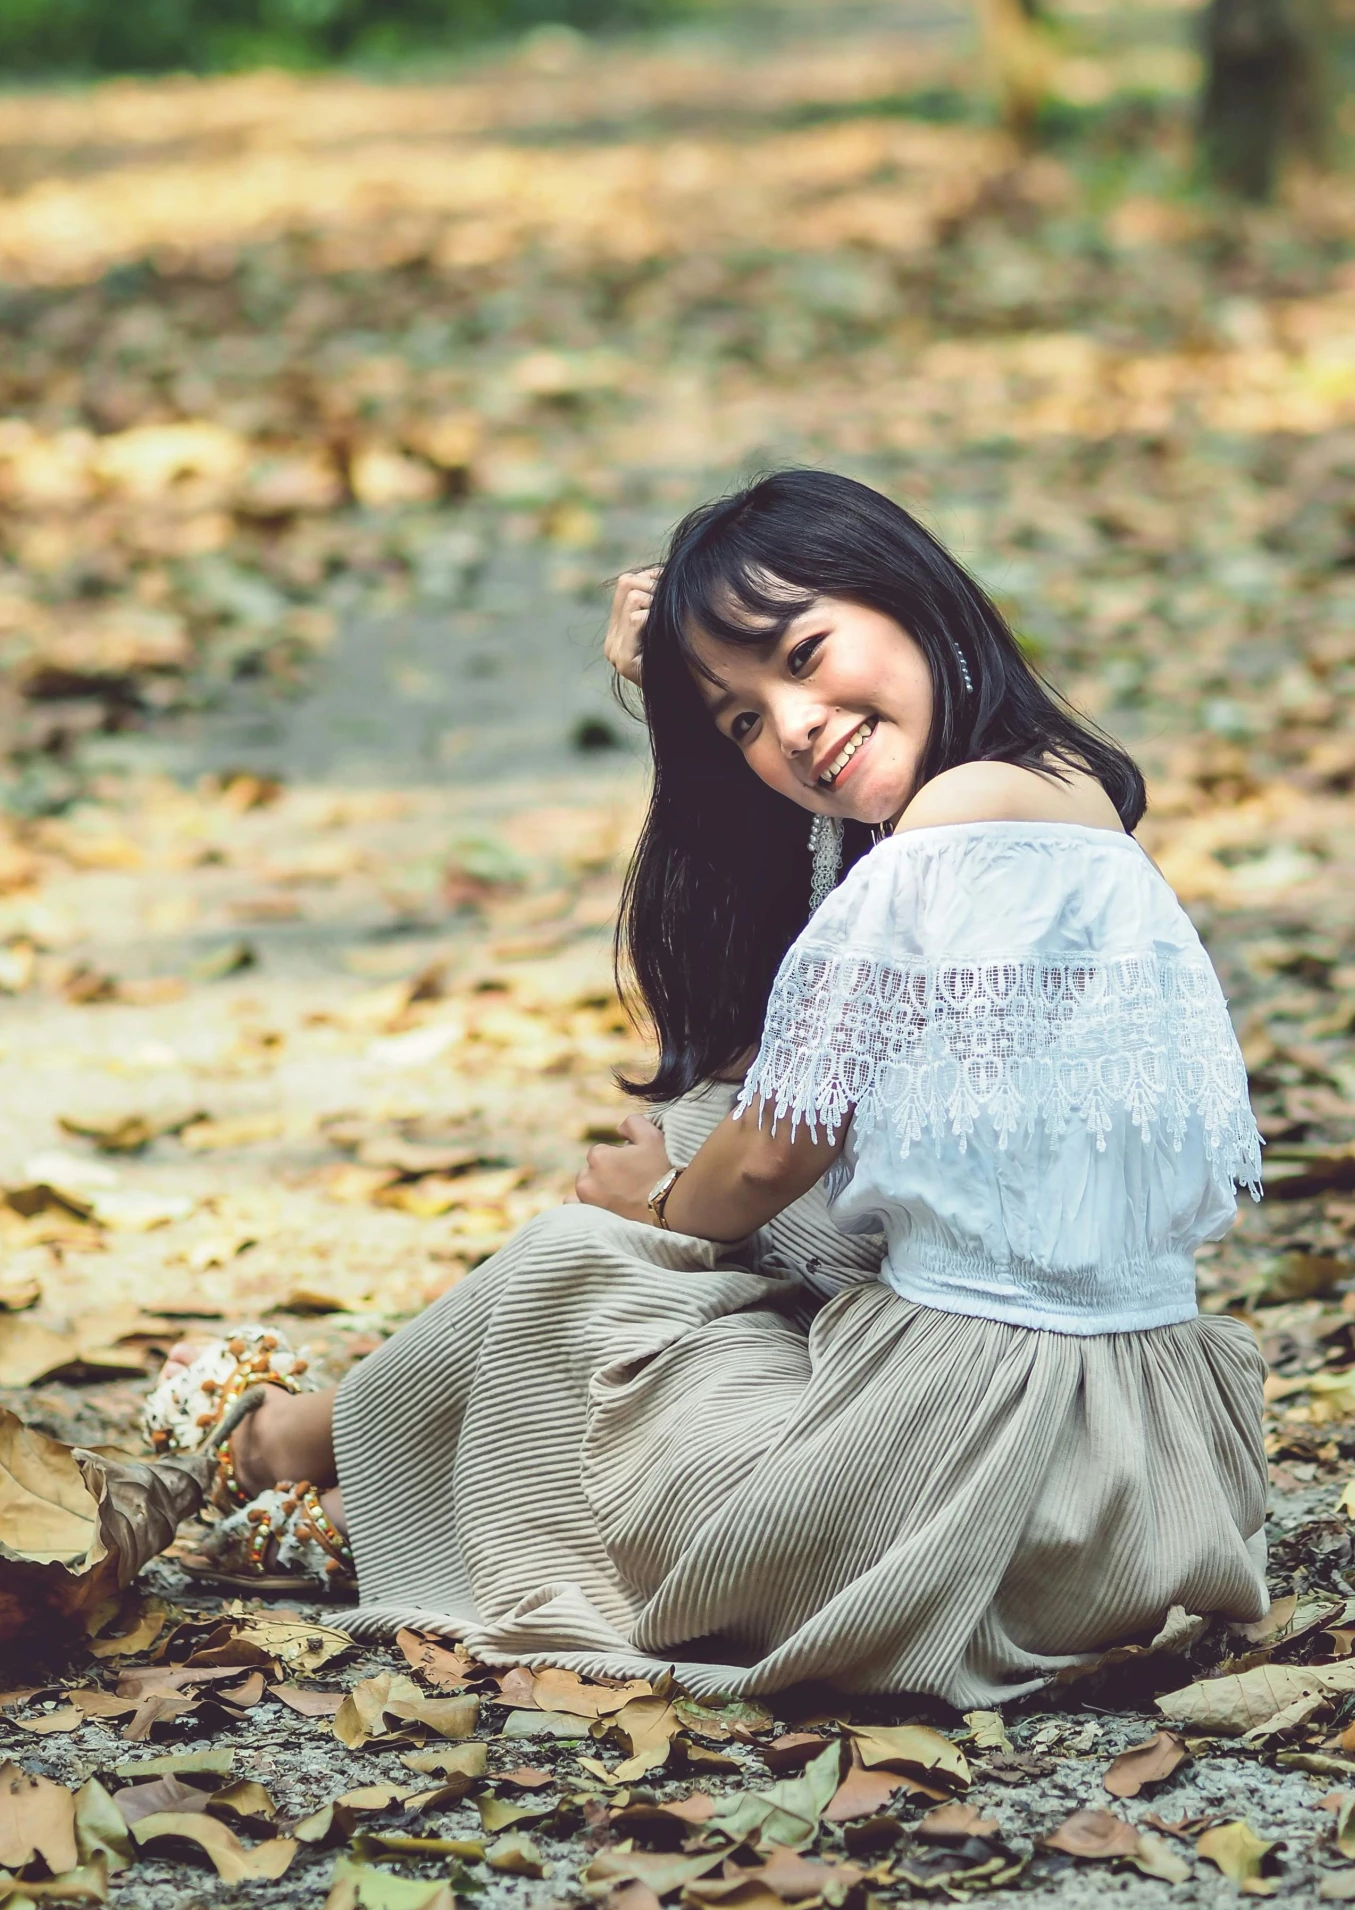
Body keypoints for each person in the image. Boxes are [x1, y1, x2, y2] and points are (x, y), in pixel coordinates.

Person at [146, 469, 1268, 1706]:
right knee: (691, 1137)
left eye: (807, 651)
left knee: (591, 1255)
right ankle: (365, 1465)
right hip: (1144, 1488)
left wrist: (663, 1202)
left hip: (960, 1495)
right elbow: (782, 1017)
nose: (790, 725)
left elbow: (776, 1150)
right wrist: (675, 703)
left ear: (914, 598)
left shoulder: (953, 824)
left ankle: (306, 1446)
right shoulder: (1063, 792)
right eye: (740, 721)